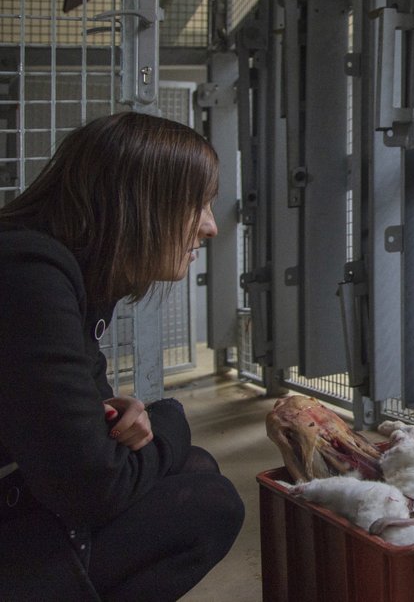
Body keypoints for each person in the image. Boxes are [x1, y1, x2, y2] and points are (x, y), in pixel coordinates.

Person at [0, 112, 245, 600]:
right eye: (197, 205)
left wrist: (115, 418)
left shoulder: (68, 271)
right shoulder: (28, 273)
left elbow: (92, 427)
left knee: (193, 469)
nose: (210, 227)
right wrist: (169, 419)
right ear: (139, 203)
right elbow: (93, 486)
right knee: (208, 503)